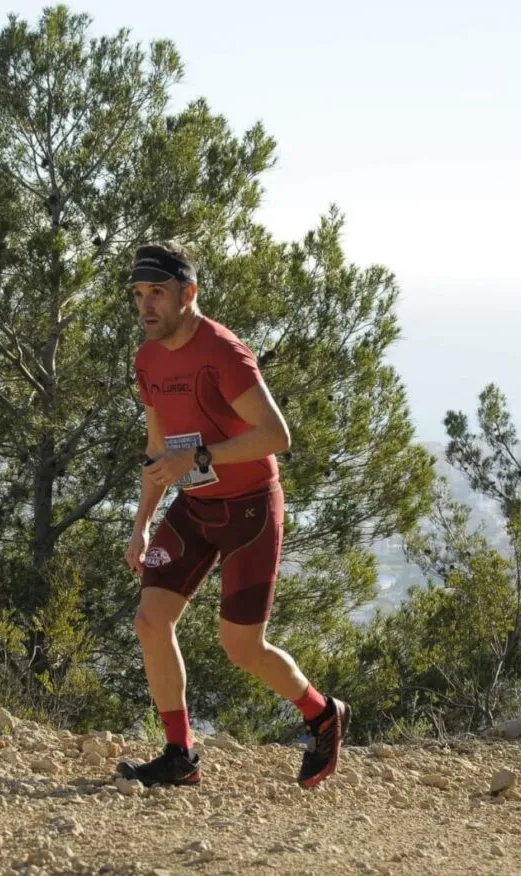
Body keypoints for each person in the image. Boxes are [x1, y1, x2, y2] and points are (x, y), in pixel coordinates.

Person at [120, 240, 349, 790]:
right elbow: (158, 450)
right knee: (151, 620)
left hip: (249, 511)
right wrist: (142, 521)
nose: (147, 305)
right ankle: (180, 753)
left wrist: (197, 458)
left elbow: (277, 436)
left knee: (241, 647)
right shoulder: (147, 359)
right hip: (194, 507)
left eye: (159, 293)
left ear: (188, 293)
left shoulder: (223, 352)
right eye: (138, 295)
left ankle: (322, 714)